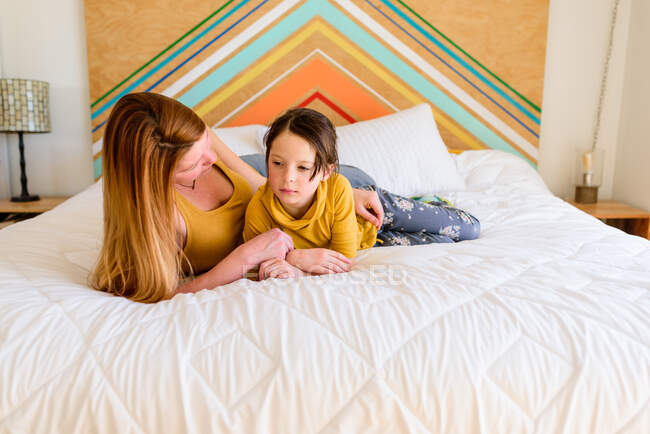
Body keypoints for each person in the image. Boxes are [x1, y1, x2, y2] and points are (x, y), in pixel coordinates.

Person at [90, 93, 384, 303]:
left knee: (379, 200)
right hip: (281, 187)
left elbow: (260, 183)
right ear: (154, 175)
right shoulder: (159, 220)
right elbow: (160, 296)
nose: (213, 158)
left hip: (283, 180)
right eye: (194, 165)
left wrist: (336, 189)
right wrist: (245, 257)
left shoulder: (190, 138)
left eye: (206, 143)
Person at [243, 108, 480, 280]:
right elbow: (261, 267)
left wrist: (293, 258)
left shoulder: (337, 187)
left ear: (326, 172)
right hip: (369, 241)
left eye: (303, 168)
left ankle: (428, 204)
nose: (288, 178)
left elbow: (340, 255)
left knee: (469, 230)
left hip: (373, 210)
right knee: (444, 243)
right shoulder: (259, 210)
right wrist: (293, 266)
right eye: (277, 163)